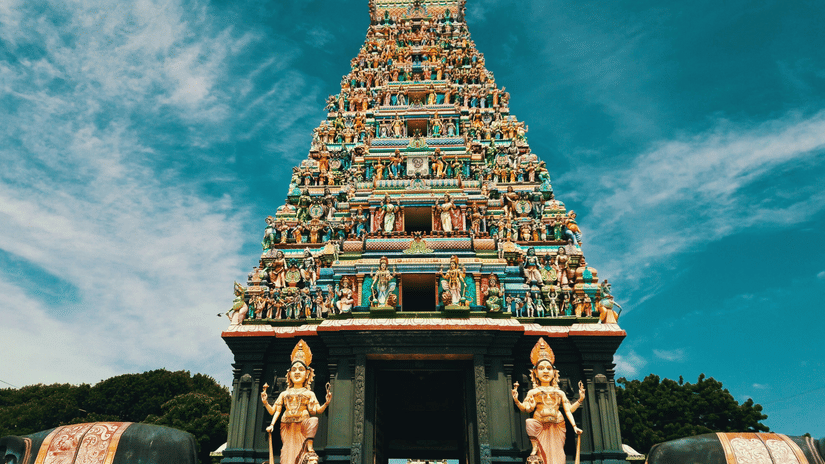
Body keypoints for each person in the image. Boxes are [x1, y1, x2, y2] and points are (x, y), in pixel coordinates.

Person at [512, 338, 585, 464]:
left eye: (548, 368)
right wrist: (516, 400)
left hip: (558, 425)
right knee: (530, 424)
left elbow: (568, 411)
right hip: (540, 426)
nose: (545, 371)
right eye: (541, 368)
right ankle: (535, 447)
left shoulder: (560, 392)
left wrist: (575, 423)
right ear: (535, 373)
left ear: (554, 372)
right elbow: (526, 408)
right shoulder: (533, 392)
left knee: (559, 457)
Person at [261, 340, 332, 464]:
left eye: (300, 369)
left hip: (302, 426)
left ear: (307, 374)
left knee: (313, 421)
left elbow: (315, 411)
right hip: (287, 426)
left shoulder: (309, 394)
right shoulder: (284, 394)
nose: (297, 372)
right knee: (287, 455)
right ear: (289, 374)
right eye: (294, 370)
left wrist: (326, 403)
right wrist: (266, 404)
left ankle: (309, 448)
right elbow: (274, 411)